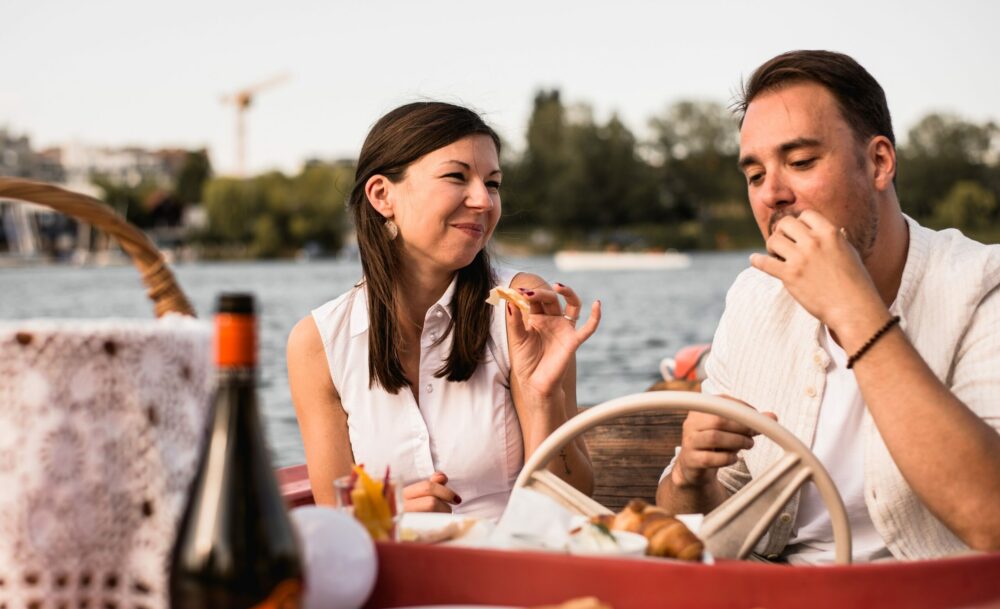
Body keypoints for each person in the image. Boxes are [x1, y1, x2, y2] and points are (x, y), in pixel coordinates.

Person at [656, 50, 1000, 562]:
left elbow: (991, 520)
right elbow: (708, 532)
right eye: (754, 175)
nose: (772, 193)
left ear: (879, 162)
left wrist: (852, 306)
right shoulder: (753, 299)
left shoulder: (982, 287)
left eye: (800, 162)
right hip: (780, 607)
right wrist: (690, 476)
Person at [288, 102, 600, 522]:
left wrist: (545, 396)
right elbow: (336, 520)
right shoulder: (317, 343)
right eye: (457, 177)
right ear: (383, 195)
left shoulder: (523, 308)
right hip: (396, 579)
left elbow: (571, 504)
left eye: (493, 184)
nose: (484, 201)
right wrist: (387, 513)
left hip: (514, 573)